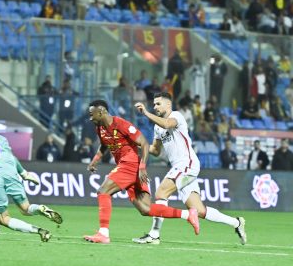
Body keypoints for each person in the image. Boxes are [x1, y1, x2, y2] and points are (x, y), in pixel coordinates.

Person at [133, 92, 247, 246]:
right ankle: (236, 223)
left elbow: (167, 124)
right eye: (153, 104)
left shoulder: (176, 116)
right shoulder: (157, 127)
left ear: (168, 104)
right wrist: (136, 143)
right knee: (200, 210)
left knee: (161, 193)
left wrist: (146, 113)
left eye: (158, 104)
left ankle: (154, 235)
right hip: (181, 167)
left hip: (187, 163)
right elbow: (156, 150)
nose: (155, 107)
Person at [83, 99, 200, 244]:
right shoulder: (100, 128)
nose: (90, 118)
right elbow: (104, 145)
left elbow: (144, 143)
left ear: (101, 112)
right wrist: (95, 160)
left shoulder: (121, 124)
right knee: (146, 209)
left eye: (92, 114)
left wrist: (142, 167)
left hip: (130, 164)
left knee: (103, 191)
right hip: (129, 167)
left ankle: (103, 233)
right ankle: (188, 215)